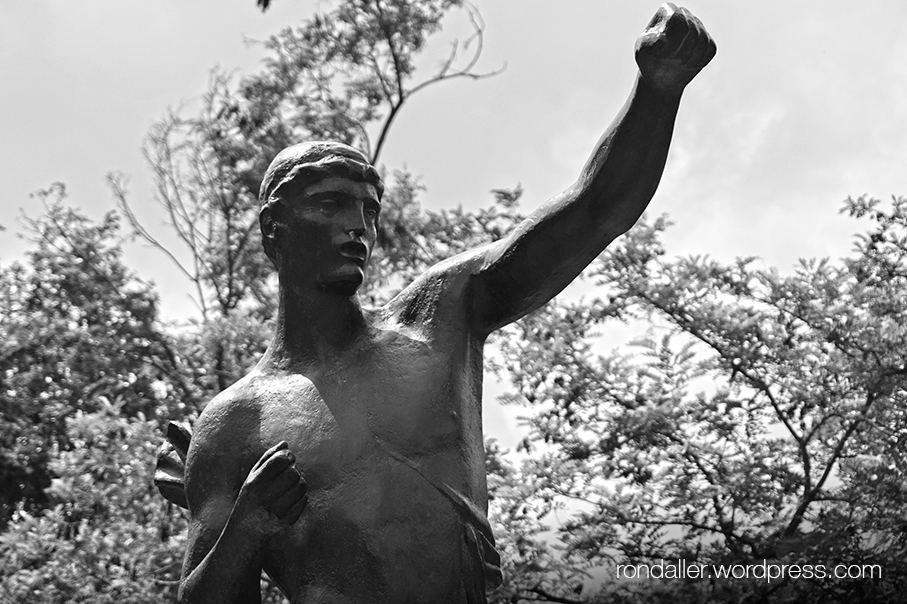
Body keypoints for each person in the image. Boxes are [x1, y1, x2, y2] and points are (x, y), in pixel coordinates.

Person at [173, 4, 715, 603]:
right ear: (274, 230)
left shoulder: (437, 322)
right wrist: (245, 529)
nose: (357, 225)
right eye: (329, 205)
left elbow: (593, 213)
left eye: (368, 210)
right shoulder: (234, 423)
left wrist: (657, 90)